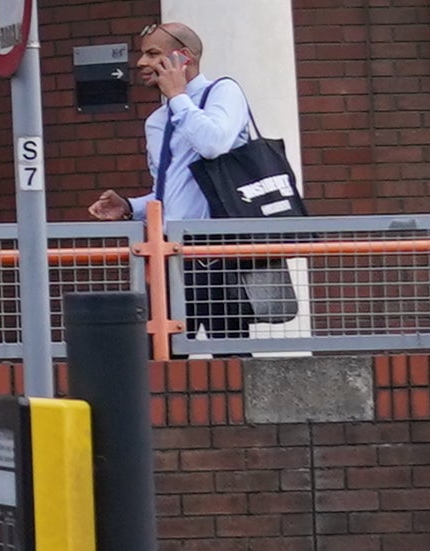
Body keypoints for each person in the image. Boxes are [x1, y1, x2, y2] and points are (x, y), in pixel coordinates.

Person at [86, 20, 300, 341]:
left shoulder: (223, 91)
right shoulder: (158, 120)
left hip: (218, 254)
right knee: (161, 350)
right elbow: (176, 191)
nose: (142, 63)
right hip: (171, 255)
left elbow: (213, 143)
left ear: (183, 58)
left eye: (154, 54)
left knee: (227, 351)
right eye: (142, 55)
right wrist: (132, 206)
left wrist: (177, 96)